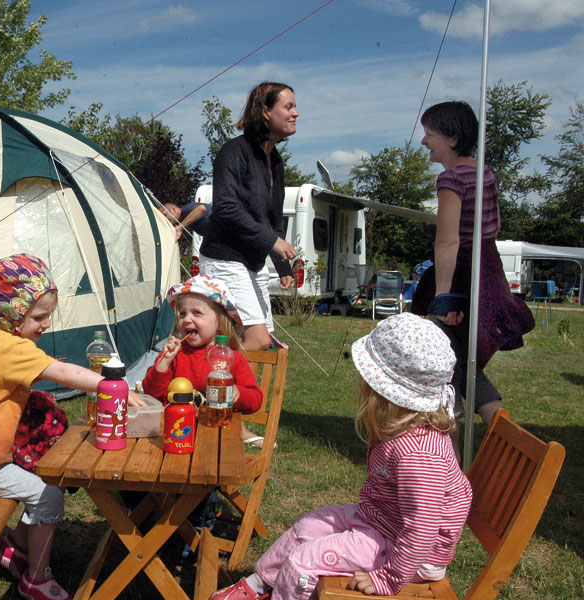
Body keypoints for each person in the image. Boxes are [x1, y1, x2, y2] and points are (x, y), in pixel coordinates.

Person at [211, 313, 472, 600]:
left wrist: (388, 578)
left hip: (408, 553)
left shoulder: (420, 455)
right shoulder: (403, 430)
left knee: (303, 562)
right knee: (307, 526)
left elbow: (422, 530)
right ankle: (260, 585)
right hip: (381, 521)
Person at [0, 254, 143, 600]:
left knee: (47, 483)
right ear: (12, 314)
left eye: (48, 315)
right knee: (48, 494)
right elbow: (63, 372)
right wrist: (111, 385)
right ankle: (35, 580)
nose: (46, 324)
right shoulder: (11, 349)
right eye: (38, 317)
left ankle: (15, 548)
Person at [411, 101, 534, 428]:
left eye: (430, 134)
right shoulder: (484, 173)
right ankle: (500, 431)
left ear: (452, 138)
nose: (424, 141)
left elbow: (448, 242)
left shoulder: (451, 179)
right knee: (464, 361)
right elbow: (496, 225)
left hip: (460, 273)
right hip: (488, 270)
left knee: (443, 360)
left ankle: (448, 434)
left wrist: (444, 298)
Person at [199, 81, 298, 351]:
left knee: (267, 343)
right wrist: (272, 242)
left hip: (253, 262)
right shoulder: (234, 152)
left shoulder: (275, 162)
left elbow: (273, 219)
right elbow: (226, 208)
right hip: (224, 258)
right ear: (266, 112)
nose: (295, 113)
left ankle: (222, 374)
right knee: (258, 340)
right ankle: (207, 371)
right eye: (288, 107)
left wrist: (282, 265)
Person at [143, 274, 264, 444]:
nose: (187, 319)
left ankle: (244, 434)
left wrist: (237, 393)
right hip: (175, 431)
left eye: (197, 313)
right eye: (182, 314)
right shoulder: (175, 355)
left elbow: (255, 400)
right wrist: (163, 363)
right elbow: (151, 395)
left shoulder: (233, 359)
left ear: (220, 322)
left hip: (217, 434)